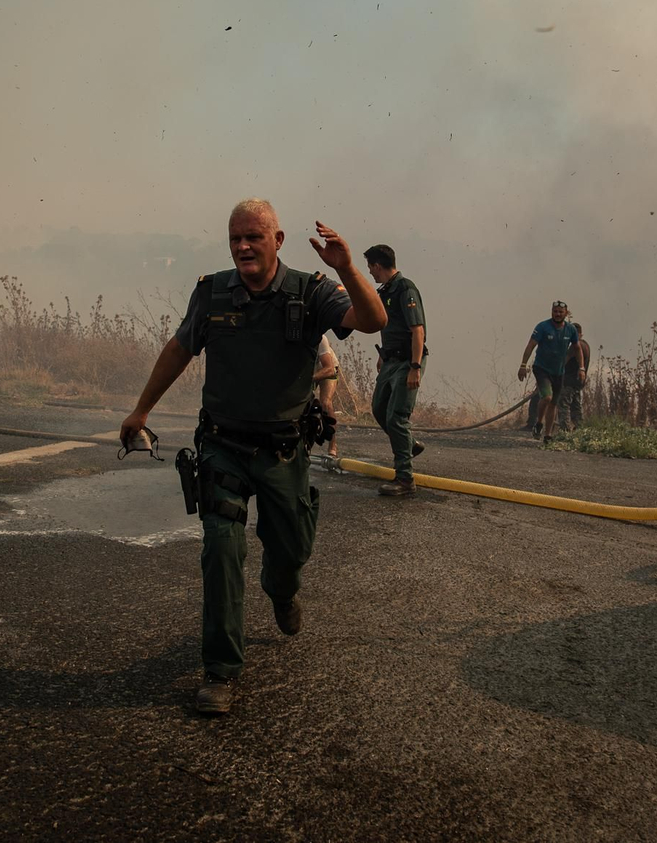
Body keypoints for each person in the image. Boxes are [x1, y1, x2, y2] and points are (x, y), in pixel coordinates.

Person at [120, 201, 385, 715]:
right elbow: (179, 348)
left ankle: (281, 591)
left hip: (284, 450)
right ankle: (221, 670)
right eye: (235, 238)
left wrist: (347, 267)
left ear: (278, 240)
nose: (243, 246)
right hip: (223, 444)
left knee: (291, 550)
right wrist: (141, 408)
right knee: (221, 547)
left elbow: (373, 320)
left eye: (253, 237)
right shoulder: (212, 292)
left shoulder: (310, 292)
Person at [365, 244, 427, 496]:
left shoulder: (405, 289)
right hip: (390, 360)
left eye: (371, 268)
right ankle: (409, 445)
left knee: (396, 418)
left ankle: (405, 480)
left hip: (407, 362)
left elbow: (417, 330)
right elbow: (387, 325)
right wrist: (383, 356)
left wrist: (415, 367)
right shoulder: (385, 291)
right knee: (379, 409)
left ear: (378, 266)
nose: (370, 273)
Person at [518, 300, 577, 444]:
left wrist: (581, 368)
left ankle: (548, 435)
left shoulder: (570, 330)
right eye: (555, 311)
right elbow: (531, 345)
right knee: (547, 397)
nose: (557, 314)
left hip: (558, 371)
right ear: (552, 312)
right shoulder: (543, 327)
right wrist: (523, 365)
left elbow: (578, 348)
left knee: (554, 404)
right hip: (541, 368)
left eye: (560, 312)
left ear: (566, 313)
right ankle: (538, 423)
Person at [558, 321, 592, 432]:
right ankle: (580, 429)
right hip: (578, 381)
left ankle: (565, 430)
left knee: (563, 404)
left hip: (569, 381)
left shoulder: (575, 346)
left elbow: (564, 362)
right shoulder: (586, 344)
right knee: (575, 406)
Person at [312, 333, 341, 462]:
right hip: (310, 371)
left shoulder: (320, 338)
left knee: (326, 402)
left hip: (328, 369)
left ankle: (333, 445)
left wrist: (310, 379)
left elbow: (329, 368)